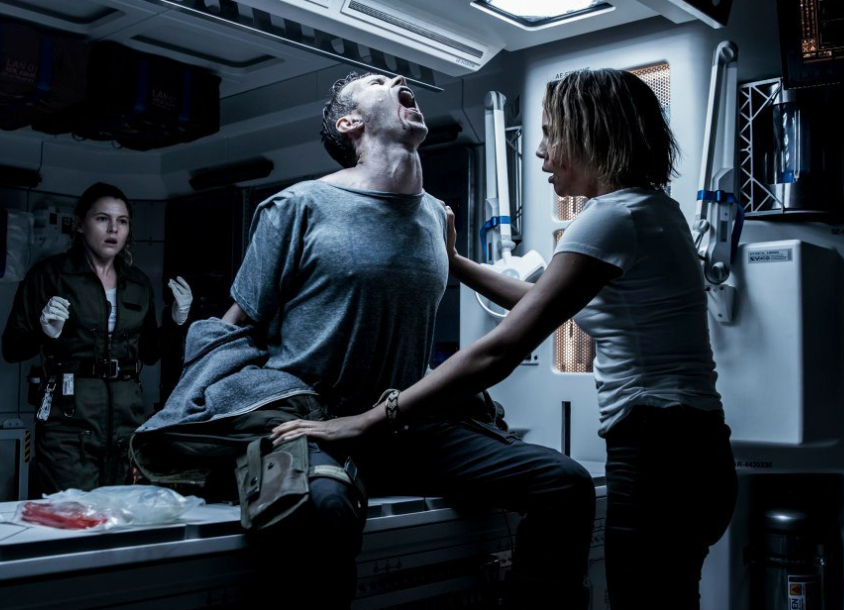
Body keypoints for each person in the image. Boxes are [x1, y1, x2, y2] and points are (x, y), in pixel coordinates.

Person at [273, 68, 738, 610]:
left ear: (589, 133)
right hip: (695, 448)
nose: (540, 151)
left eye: (551, 134)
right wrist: (453, 262)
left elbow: (499, 350)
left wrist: (371, 419)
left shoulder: (611, 218)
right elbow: (538, 299)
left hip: (660, 452)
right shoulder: (650, 208)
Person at [222, 71, 595, 609]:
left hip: (405, 422)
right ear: (349, 123)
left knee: (565, 483)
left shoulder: (435, 216)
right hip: (318, 424)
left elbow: (536, 309)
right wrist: (211, 419)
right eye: (377, 81)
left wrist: (456, 259)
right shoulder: (295, 207)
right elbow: (235, 328)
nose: (398, 78)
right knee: (323, 510)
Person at [2, 182, 193, 494]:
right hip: (68, 426)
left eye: (122, 221)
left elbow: (149, 352)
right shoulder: (48, 276)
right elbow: (11, 348)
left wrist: (176, 319)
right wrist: (44, 332)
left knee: (117, 515)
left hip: (125, 425)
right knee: (73, 515)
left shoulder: (137, 283)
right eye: (103, 218)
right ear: (79, 224)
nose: (113, 229)